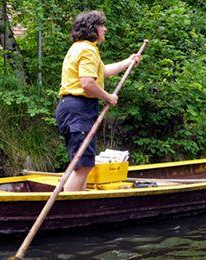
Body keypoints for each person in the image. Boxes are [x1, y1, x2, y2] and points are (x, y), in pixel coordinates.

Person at [55, 10, 141, 191]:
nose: (105, 29)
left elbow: (103, 71)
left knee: (80, 163)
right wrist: (108, 96)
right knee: (83, 164)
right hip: (79, 109)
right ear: (93, 28)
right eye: (102, 26)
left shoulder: (79, 47)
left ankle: (80, 201)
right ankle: (70, 209)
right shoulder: (87, 50)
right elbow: (86, 83)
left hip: (70, 108)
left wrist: (128, 61)